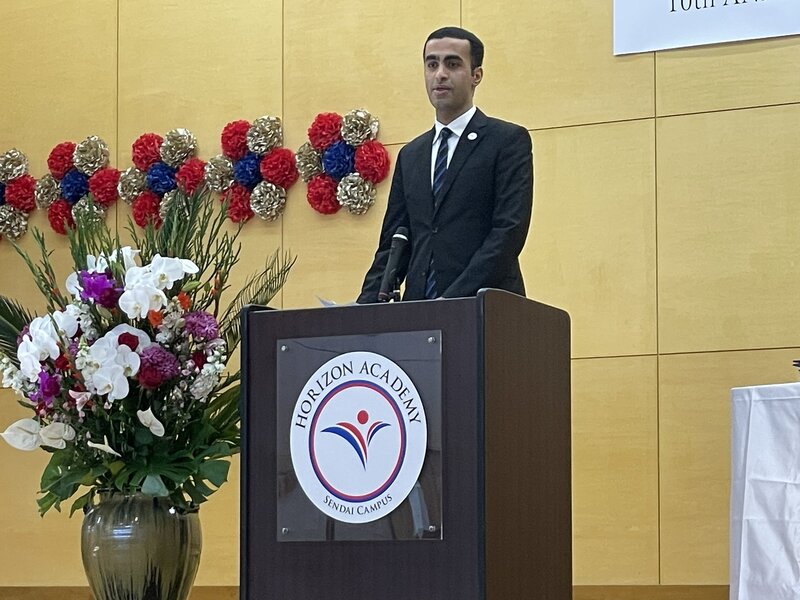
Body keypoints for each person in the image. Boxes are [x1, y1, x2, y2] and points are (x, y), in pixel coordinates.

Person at [357, 26, 533, 303]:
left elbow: (508, 233)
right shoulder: (412, 154)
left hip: (484, 306)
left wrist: (451, 301)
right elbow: (394, 241)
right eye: (432, 64)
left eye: (452, 64)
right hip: (418, 310)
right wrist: (363, 308)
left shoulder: (506, 141)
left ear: (476, 75)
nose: (440, 74)